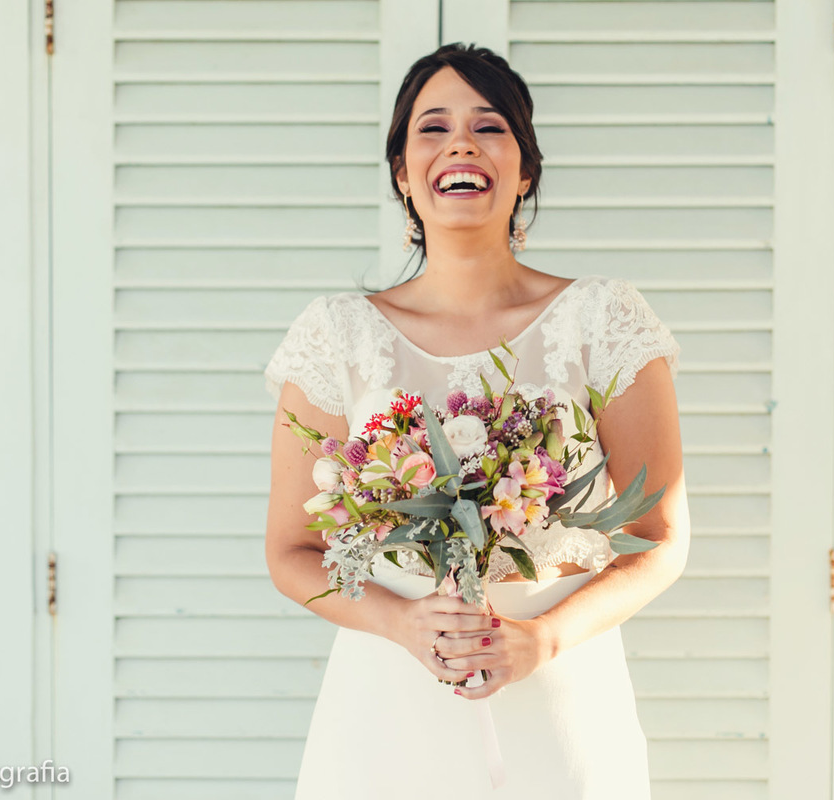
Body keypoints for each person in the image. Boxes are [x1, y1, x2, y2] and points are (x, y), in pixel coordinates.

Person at [264, 43, 690, 799]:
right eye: (433, 128)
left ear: (524, 168)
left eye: (489, 126)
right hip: (386, 712)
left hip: (559, 699)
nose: (461, 143)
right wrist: (403, 624)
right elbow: (293, 551)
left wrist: (542, 641)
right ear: (403, 173)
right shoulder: (337, 334)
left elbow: (658, 541)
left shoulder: (604, 318)